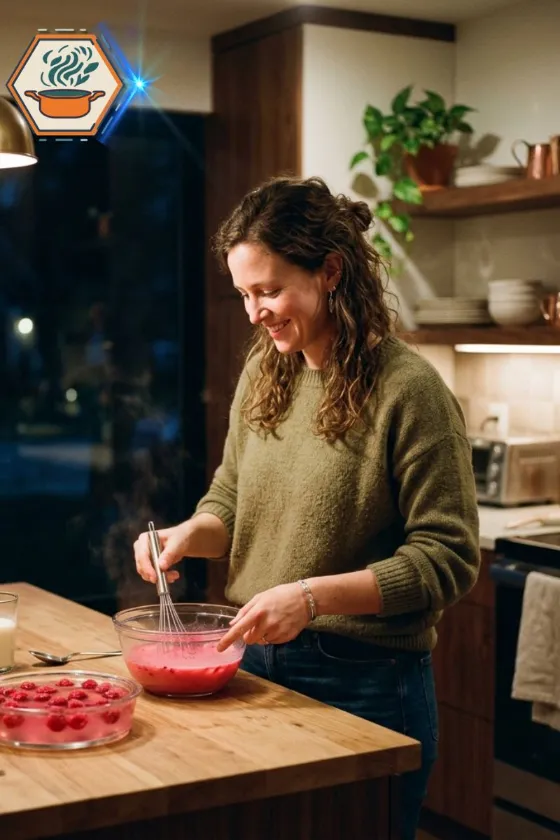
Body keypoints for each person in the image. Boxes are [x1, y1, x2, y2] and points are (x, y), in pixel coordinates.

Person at [134, 175, 480, 840]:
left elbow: (448, 558)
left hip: (367, 684)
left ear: (330, 271)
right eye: (244, 293)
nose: (254, 311)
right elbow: (231, 500)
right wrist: (185, 535)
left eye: (269, 290)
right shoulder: (267, 371)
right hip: (256, 669)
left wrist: (311, 598)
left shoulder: (410, 392)